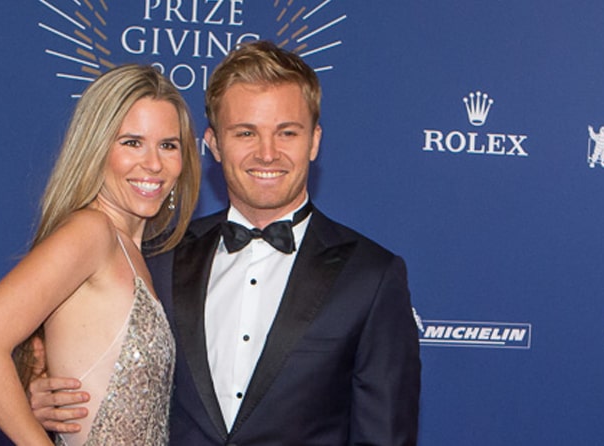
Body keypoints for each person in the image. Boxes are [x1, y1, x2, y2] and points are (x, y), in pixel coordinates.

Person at [31, 41, 421, 445]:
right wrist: (40, 396)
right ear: (214, 143)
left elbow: (386, 436)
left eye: (287, 133)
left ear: (314, 141)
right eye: (246, 133)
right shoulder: (158, 256)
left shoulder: (371, 277)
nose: (267, 154)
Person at [0, 64, 200, 445]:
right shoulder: (92, 232)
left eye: (168, 145)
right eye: (132, 142)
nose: (153, 163)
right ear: (96, 147)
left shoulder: (130, 250)